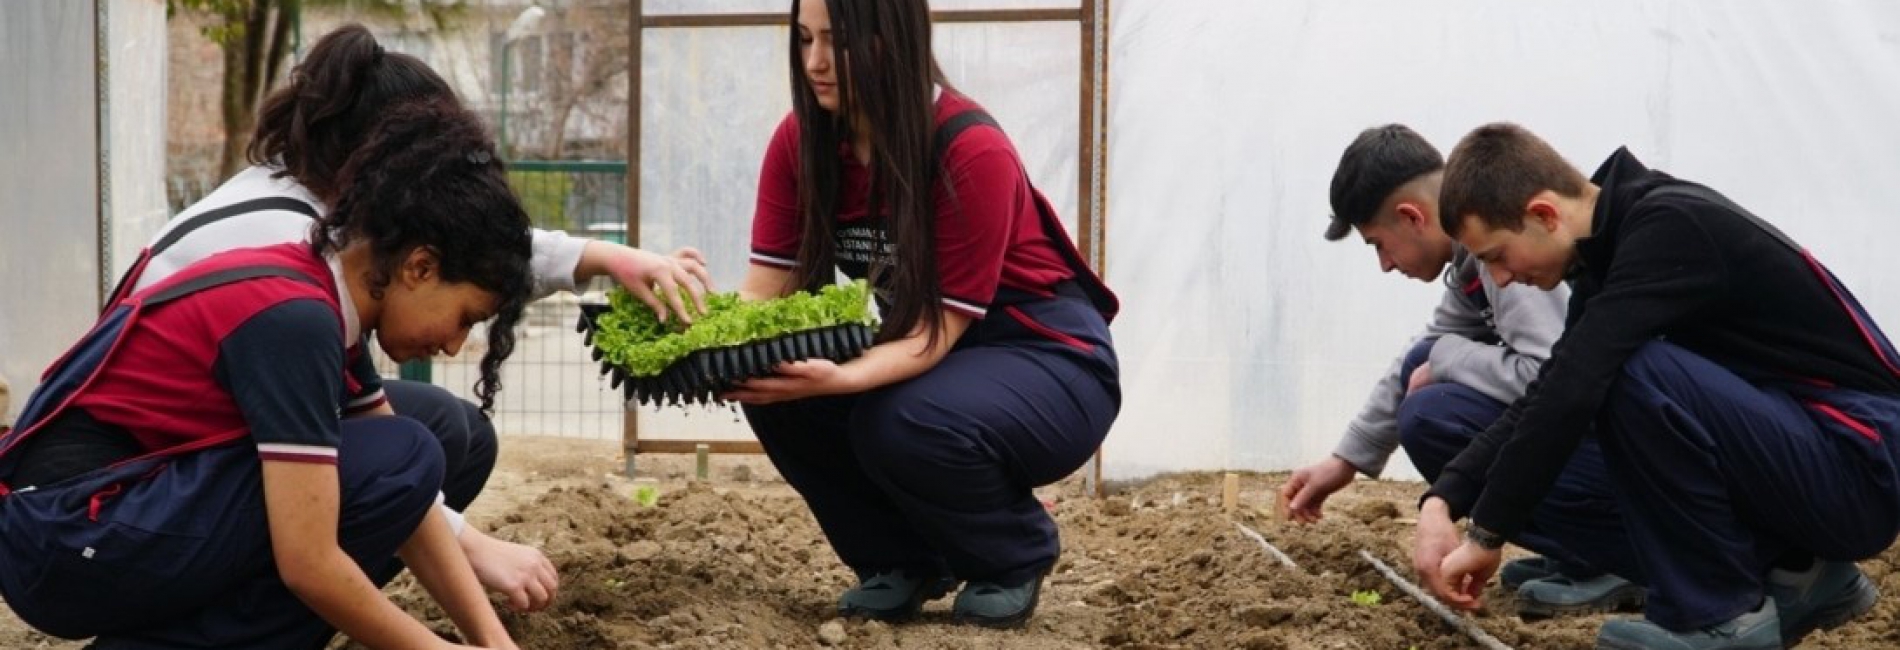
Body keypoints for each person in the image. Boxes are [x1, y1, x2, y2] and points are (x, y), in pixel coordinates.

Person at [126, 24, 714, 612]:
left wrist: (606, 257)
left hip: (198, 449)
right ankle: (255, 617)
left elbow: (465, 252)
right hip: (145, 475)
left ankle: (303, 602)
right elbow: (451, 258)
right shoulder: (288, 245)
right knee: (405, 453)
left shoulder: (321, 211)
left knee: (448, 434)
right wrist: (469, 544)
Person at [0, 98, 529, 648]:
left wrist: (492, 640)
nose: (453, 343)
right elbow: (309, 562)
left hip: (83, 523)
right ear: (420, 267)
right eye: (466, 318)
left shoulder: (320, 293)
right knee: (402, 456)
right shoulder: (293, 318)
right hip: (65, 541)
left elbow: (414, 502)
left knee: (413, 449)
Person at [1420, 122, 1898, 649]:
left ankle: (1721, 613)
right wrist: (1445, 499)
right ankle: (1801, 572)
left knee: (1626, 370)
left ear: (1543, 214)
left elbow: (1574, 387)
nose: (1502, 279)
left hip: (1860, 463)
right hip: (1820, 455)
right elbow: (1552, 386)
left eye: (1494, 256)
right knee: (1601, 377)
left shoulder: (1670, 227)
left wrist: (1488, 531)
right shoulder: (1614, 249)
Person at [724, 0, 1121, 628]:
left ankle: (1012, 554)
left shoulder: (968, 147)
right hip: (928, 356)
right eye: (803, 40)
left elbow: (937, 331)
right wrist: (701, 345)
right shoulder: (801, 141)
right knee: (778, 387)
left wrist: (841, 379)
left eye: (838, 41)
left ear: (893, 39)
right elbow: (764, 296)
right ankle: (903, 560)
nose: (816, 63)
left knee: (899, 419)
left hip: (1046, 359)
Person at [1282, 124, 1642, 619]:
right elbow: (1424, 351)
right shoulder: (1470, 262)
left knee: (1432, 417)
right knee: (1425, 370)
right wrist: (1345, 460)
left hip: (1633, 453)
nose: (1385, 265)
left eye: (1378, 245)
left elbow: (1554, 375)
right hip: (1610, 441)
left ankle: (1615, 556)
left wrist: (1450, 358)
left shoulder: (1505, 254)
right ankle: (1581, 554)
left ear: (1411, 216)